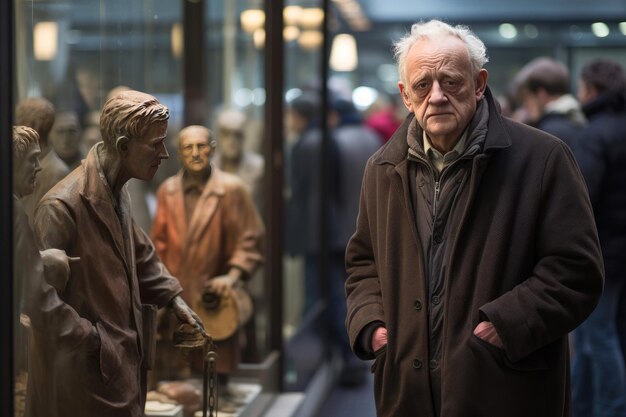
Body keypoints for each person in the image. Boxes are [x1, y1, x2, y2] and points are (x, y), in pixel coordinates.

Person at [344, 19, 603, 417]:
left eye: (451, 81)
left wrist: (506, 323)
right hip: (406, 390)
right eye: (422, 85)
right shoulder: (382, 167)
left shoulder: (543, 158)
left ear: (479, 83)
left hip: (503, 386)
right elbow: (363, 262)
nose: (437, 96)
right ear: (405, 96)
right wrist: (370, 324)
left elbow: (577, 271)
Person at [29, 90, 205, 417]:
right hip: (80, 381)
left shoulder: (116, 190)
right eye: (155, 144)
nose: (165, 154)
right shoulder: (61, 207)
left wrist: (173, 299)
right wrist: (95, 342)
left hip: (117, 369)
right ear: (123, 147)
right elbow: (39, 302)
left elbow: (140, 253)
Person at [151, 125, 264, 413]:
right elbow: (158, 244)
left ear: (212, 148)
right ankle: (185, 396)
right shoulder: (168, 191)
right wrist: (160, 285)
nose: (196, 153)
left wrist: (233, 276)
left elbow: (249, 238)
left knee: (218, 352)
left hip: (214, 292)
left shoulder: (231, 189)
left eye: (201, 146)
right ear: (179, 153)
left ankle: (219, 391)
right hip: (177, 290)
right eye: (188, 148)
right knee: (181, 354)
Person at [570, 58, 626, 417]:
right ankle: (584, 405)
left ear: (590, 89)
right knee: (595, 336)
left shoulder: (593, 134)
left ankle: (610, 408)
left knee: (598, 336)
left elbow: (581, 199)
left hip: (602, 252)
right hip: (620, 250)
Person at [327, 97, 381, 385]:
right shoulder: (370, 137)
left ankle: (349, 358)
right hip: (367, 227)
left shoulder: (335, 141)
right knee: (362, 291)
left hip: (339, 230)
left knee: (339, 292)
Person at [15, 97, 70, 223]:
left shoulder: (56, 172)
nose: (17, 125)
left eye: (19, 120)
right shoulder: (32, 164)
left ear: (35, 125)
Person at [513, 57, 586, 149]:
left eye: (526, 97)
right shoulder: (579, 120)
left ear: (541, 94)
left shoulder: (547, 133)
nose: (525, 106)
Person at [213, 108, 265, 209]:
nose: (231, 141)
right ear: (219, 137)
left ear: (244, 137)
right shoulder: (209, 167)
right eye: (226, 134)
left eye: (237, 135)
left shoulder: (259, 166)